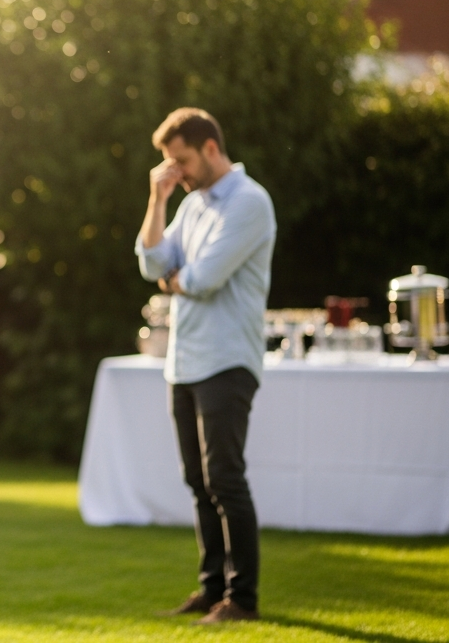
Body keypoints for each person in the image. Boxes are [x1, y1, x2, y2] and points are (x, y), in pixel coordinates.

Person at [135, 107, 276, 625]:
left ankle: (243, 600)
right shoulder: (192, 205)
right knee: (198, 481)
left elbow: (203, 279)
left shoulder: (250, 202)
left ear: (210, 148)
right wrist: (157, 199)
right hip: (185, 361)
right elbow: (152, 262)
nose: (177, 172)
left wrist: (175, 279)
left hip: (227, 359)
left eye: (182, 161)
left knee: (225, 479)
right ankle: (211, 588)